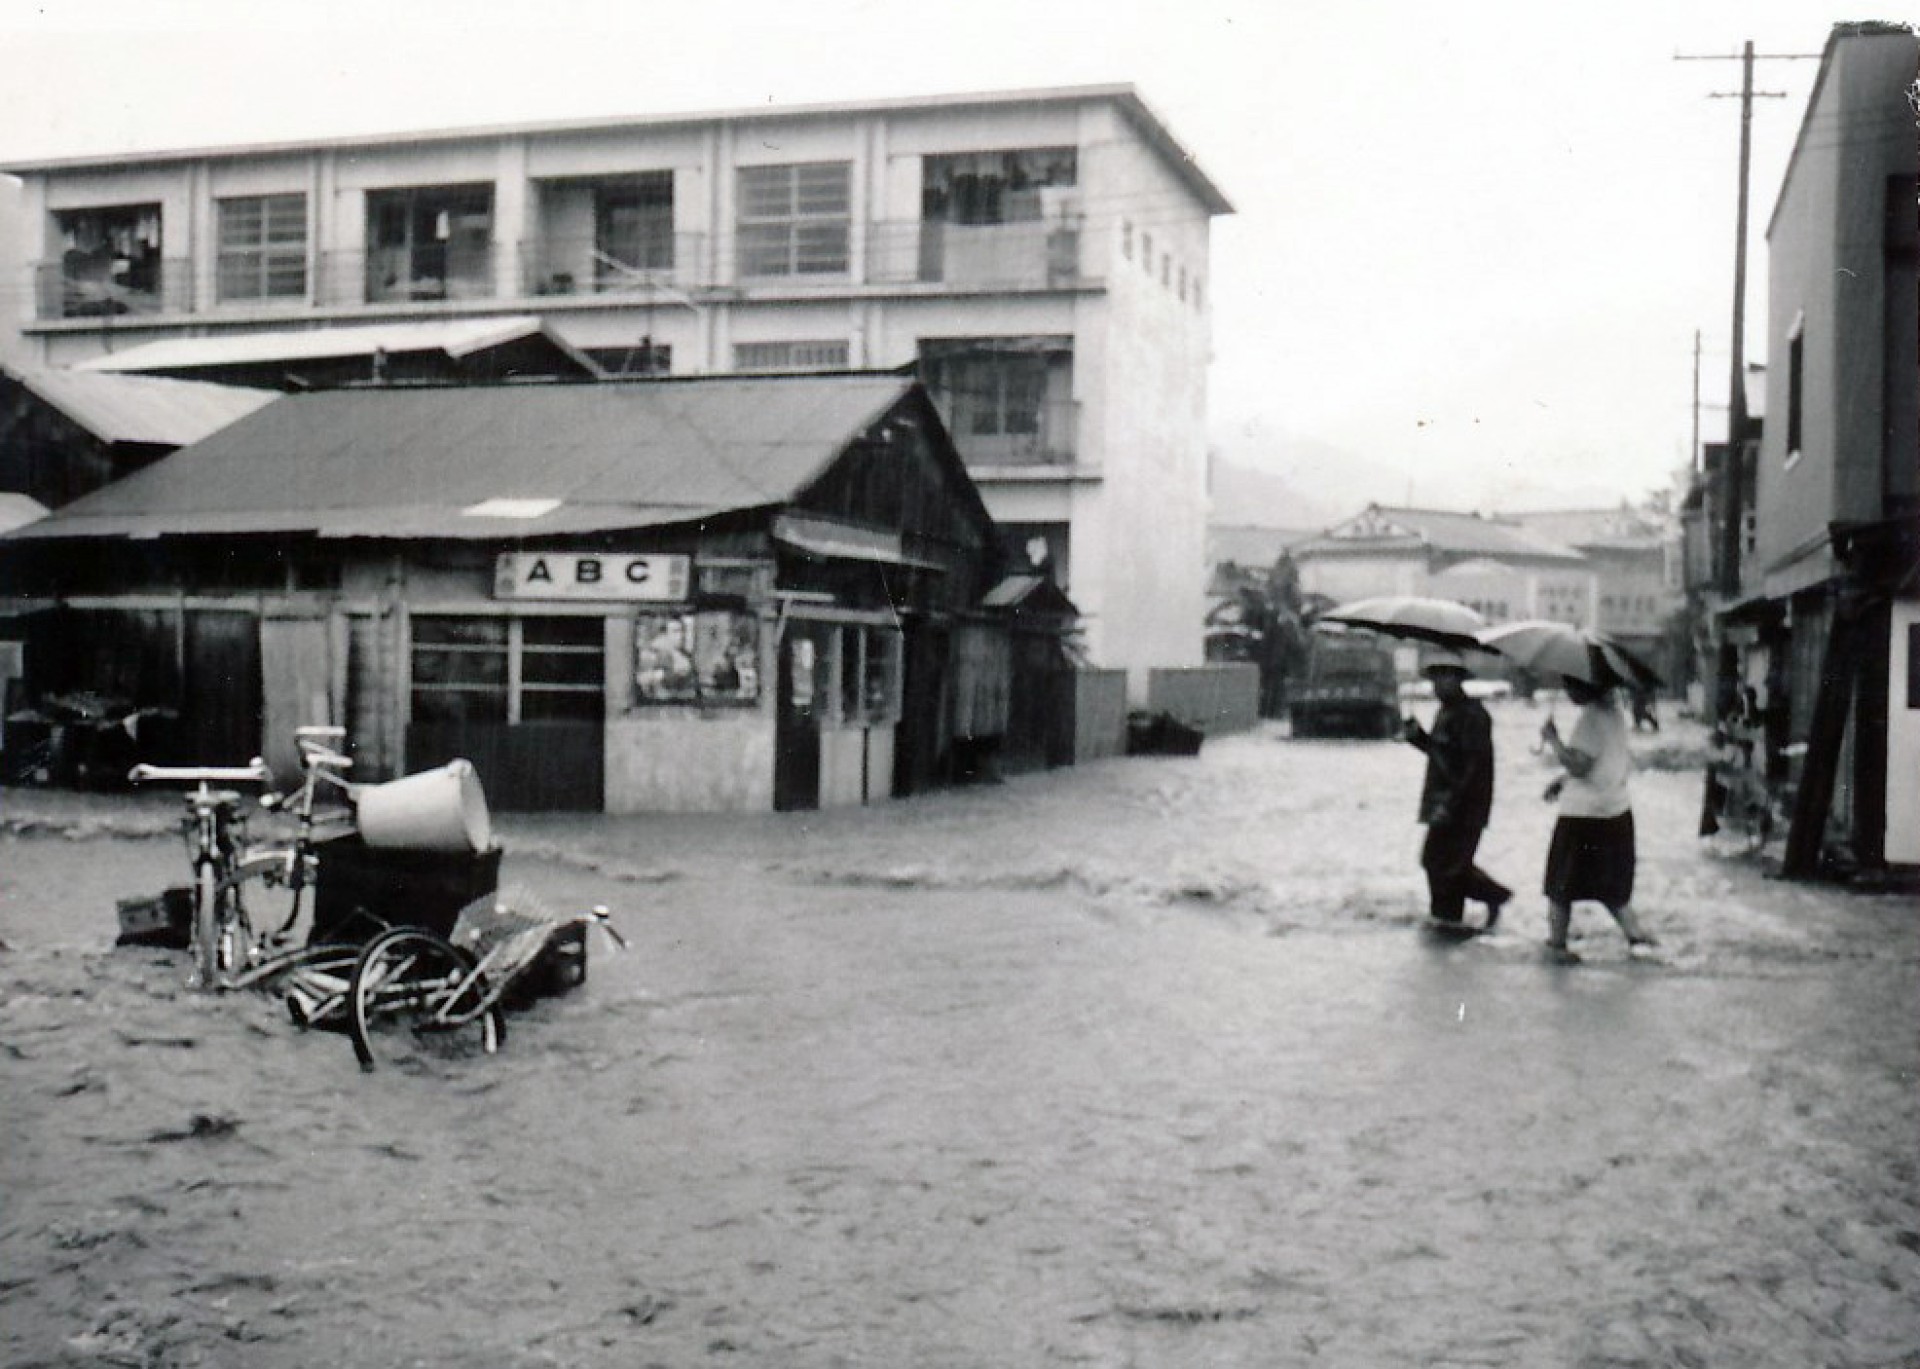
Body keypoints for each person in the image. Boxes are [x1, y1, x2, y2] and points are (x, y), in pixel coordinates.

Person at [1538, 677, 1658, 963]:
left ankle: (1556, 944)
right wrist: (1562, 779)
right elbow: (1604, 762)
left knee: (1560, 883)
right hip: (1614, 809)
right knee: (1611, 885)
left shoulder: (1590, 718)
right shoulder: (1616, 715)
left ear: (1586, 687)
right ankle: (1636, 936)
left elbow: (1580, 765)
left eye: (1571, 686)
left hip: (1582, 815)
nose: (1567, 692)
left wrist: (1553, 740)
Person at [1401, 650, 1511, 929]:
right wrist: (1418, 738)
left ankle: (1453, 919)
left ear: (1459, 679)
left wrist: (1447, 805)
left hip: (1464, 806)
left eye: (1444, 677)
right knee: (1437, 863)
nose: (1438, 685)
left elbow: (1471, 768)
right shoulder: (1446, 712)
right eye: (1435, 678)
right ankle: (1452, 918)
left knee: (1445, 866)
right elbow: (1443, 756)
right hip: (1446, 801)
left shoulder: (1473, 715)